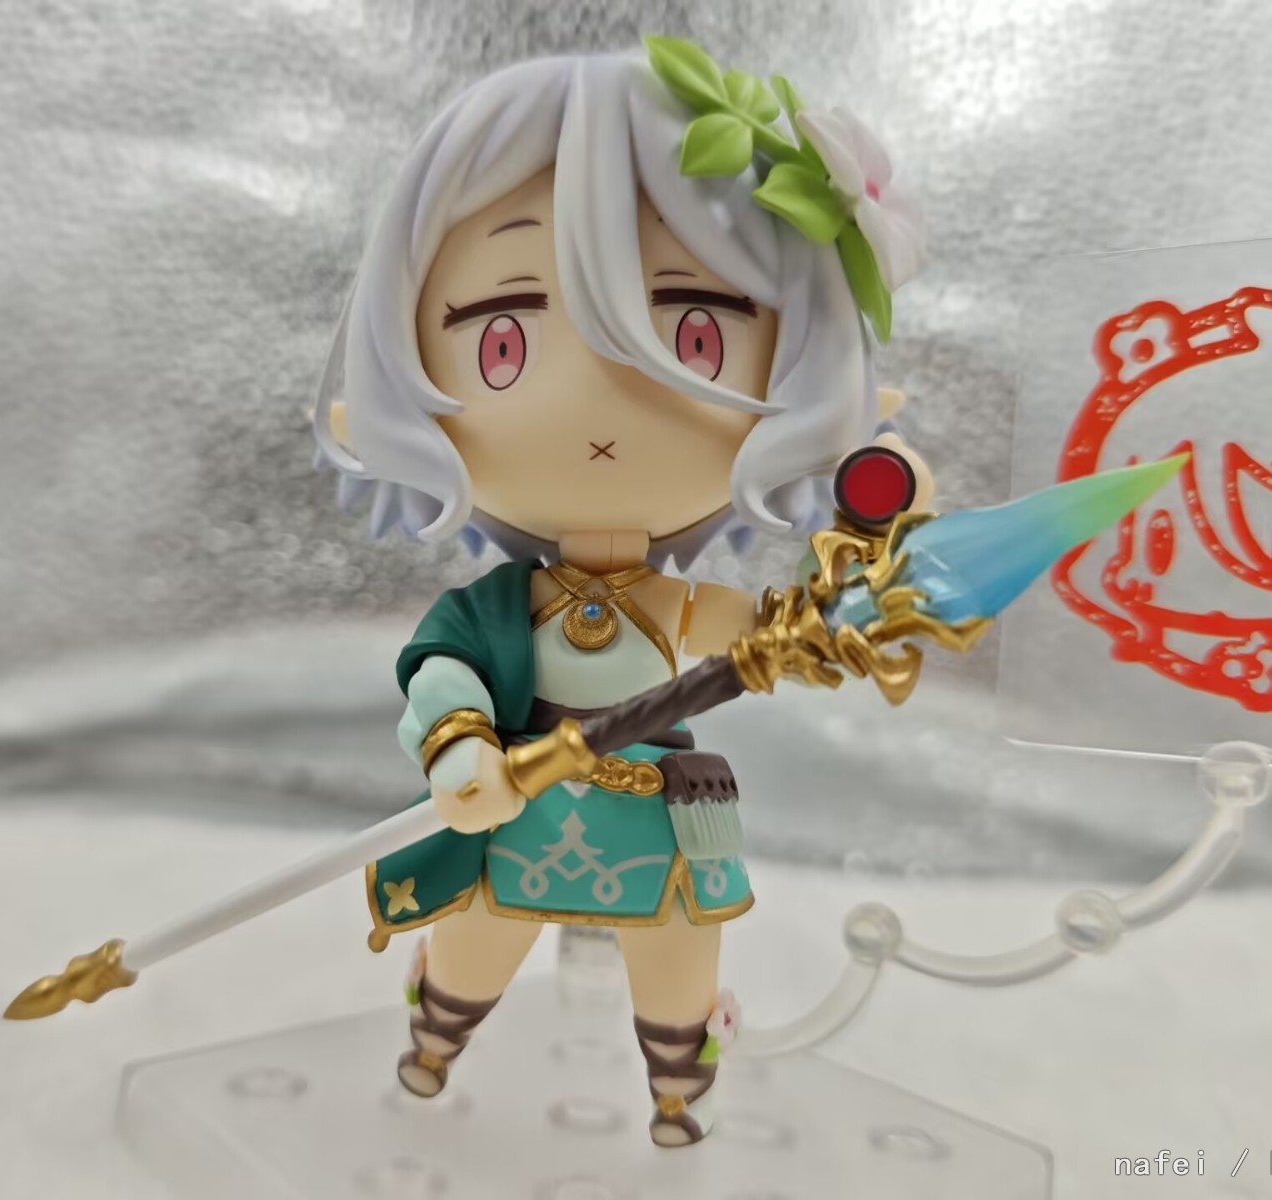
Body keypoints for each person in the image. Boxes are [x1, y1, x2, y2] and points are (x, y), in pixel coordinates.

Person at [311, 44, 930, 1147]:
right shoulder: (501, 609)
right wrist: (460, 747)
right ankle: (435, 1044)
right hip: (517, 804)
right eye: (503, 341)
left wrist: (870, 551)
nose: (599, 402)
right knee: (477, 940)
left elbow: (793, 635)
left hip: (660, 811)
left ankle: (677, 1090)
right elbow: (442, 668)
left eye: (697, 334)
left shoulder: (684, 610)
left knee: (678, 950)